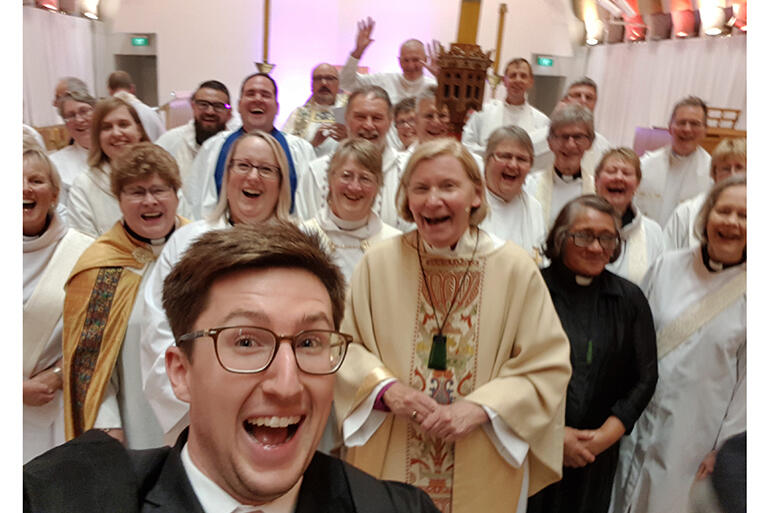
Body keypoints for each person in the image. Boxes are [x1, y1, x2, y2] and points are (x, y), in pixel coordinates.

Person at [25, 222, 441, 513]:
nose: (287, 383)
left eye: (310, 342)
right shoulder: (63, 498)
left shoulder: (399, 508)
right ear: (180, 372)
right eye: (246, 342)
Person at [334, 138, 571, 513]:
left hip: (480, 451)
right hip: (392, 447)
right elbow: (342, 346)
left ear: (476, 194)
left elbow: (547, 365)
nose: (433, 200)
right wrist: (386, 390)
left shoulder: (514, 268)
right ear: (406, 198)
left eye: (448, 186)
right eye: (421, 188)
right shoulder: (377, 264)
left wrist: (481, 409)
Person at [141, 131, 294, 445]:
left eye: (266, 169)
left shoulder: (299, 249)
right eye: (243, 166)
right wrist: (205, 393)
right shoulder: (188, 243)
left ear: (282, 182)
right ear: (226, 175)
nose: (253, 177)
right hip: (200, 410)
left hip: (277, 408)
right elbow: (158, 328)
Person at [612, 175, 746, 513]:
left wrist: (726, 451)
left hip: (693, 439)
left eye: (745, 216)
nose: (731, 222)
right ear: (706, 216)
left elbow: (752, 388)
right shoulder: (667, 266)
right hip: (635, 421)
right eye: (724, 211)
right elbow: (632, 340)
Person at [526, 195, 657, 513]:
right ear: (560, 237)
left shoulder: (629, 299)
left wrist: (603, 437)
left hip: (596, 453)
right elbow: (508, 370)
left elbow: (645, 377)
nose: (596, 247)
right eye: (584, 235)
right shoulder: (531, 290)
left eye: (607, 237)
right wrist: (553, 437)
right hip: (533, 447)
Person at [61, 143, 187, 449]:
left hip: (200, 414)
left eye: (159, 189)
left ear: (175, 194)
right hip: (136, 425)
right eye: (136, 192)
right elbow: (87, 365)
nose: (150, 201)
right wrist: (106, 424)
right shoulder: (100, 267)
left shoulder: (200, 248)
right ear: (119, 199)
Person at [23, 146, 93, 463]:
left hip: (62, 404)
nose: (24, 188)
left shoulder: (85, 252)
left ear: (54, 194)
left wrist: (57, 374)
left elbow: (98, 330)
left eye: (36, 180)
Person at [188, 72, 315, 219]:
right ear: (239, 105)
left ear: (277, 107)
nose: (257, 99)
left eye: (265, 95)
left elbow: (309, 209)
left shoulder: (300, 150)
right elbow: (194, 203)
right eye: (250, 94)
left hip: (282, 237)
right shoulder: (214, 147)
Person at [296, 86, 403, 228]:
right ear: (345, 119)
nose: (368, 125)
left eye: (377, 118)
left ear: (390, 122)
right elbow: (304, 230)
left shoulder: (407, 170)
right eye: (360, 117)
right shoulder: (316, 172)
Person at [302, 138, 400, 282]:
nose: (354, 187)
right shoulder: (303, 237)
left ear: (378, 186)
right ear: (330, 180)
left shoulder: (395, 244)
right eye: (346, 176)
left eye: (365, 178)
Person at [66, 97, 153, 238]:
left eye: (123, 125)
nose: (117, 133)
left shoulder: (163, 175)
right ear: (97, 138)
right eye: (106, 127)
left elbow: (182, 231)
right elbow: (83, 245)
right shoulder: (84, 186)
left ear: (139, 130)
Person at [635, 96, 712, 226]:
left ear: (705, 130)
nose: (687, 129)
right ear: (670, 128)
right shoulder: (644, 165)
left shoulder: (713, 172)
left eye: (695, 124)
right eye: (681, 122)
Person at [595, 148, 664, 284]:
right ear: (596, 180)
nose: (619, 177)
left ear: (637, 184)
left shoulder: (652, 231)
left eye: (626, 173)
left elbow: (657, 285)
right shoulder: (576, 223)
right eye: (611, 171)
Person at [663, 137, 745, 251]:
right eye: (725, 169)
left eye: (739, 168)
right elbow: (666, 258)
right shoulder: (686, 212)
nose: (733, 174)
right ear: (714, 174)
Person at [478, 126, 546, 260]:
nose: (513, 165)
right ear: (487, 159)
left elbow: (540, 262)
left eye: (522, 159)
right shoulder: (470, 202)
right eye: (505, 156)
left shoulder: (534, 208)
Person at [462, 58, 549, 157]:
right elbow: (467, 144)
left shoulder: (541, 121)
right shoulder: (483, 112)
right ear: (504, 80)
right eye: (513, 75)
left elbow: (543, 154)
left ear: (530, 82)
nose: (518, 80)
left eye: (523, 76)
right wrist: (492, 155)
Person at [155, 80, 234, 190]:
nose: (210, 111)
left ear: (229, 112)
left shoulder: (235, 147)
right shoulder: (169, 143)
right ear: (193, 106)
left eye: (218, 106)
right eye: (203, 104)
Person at [525, 104, 596, 226]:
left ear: (589, 143)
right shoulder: (529, 185)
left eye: (578, 137)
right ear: (550, 142)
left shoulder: (597, 190)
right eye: (563, 136)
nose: (570, 145)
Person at [340, 18, 437, 105]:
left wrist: (440, 76)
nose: (410, 65)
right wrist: (358, 51)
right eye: (406, 60)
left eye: (416, 60)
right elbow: (346, 83)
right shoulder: (383, 80)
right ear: (399, 61)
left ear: (425, 60)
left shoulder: (434, 86)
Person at [531, 77, 613, 174]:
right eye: (577, 95)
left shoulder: (603, 145)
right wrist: (555, 124)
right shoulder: (540, 136)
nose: (583, 100)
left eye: (589, 97)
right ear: (565, 100)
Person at [283, 63, 349, 158]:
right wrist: (312, 145)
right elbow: (284, 152)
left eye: (329, 78)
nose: (324, 83)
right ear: (311, 85)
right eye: (318, 79)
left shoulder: (347, 110)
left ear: (338, 84)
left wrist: (347, 140)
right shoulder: (299, 114)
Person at [49, 90, 96, 206]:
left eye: (84, 111)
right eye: (70, 116)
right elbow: (59, 211)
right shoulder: (55, 163)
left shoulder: (117, 154)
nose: (79, 120)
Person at [107, 70, 166, 141]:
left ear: (109, 90)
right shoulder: (151, 113)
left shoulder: (106, 115)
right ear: (132, 88)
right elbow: (164, 140)